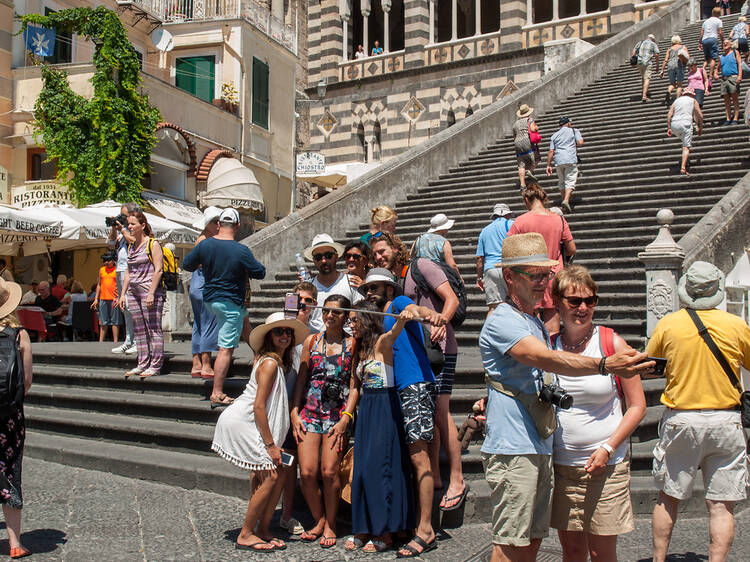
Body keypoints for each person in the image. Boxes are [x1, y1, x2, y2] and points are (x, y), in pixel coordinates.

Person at [479, 233, 652, 562]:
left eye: (545, 275)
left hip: (539, 447)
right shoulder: (503, 319)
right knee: (510, 545)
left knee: (530, 543)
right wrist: (603, 365)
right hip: (516, 449)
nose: (541, 283)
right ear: (509, 277)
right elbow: (545, 360)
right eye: (534, 275)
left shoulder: (534, 323)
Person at [647, 261, 750, 562]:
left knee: (668, 497)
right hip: (726, 419)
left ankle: (659, 559)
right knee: (722, 505)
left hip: (682, 417)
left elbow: (653, 364)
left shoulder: (669, 324)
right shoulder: (735, 325)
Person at [549, 266, 647, 561]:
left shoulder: (611, 343)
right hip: (563, 466)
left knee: (601, 553)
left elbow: (638, 405)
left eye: (590, 301)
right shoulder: (548, 346)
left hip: (607, 466)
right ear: (556, 302)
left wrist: (608, 447)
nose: (583, 308)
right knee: (573, 551)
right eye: (574, 301)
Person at [370, 231, 466, 513]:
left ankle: (457, 479)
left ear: (396, 247)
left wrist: (440, 321)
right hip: (422, 352)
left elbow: (451, 299)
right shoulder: (397, 279)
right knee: (432, 411)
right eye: (375, 254)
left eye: (383, 250)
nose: (379, 256)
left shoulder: (421, 265)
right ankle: (435, 475)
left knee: (441, 412)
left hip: (441, 348)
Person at [359, 267, 445, 558]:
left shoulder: (397, 304)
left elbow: (417, 308)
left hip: (416, 385)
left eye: (376, 288)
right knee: (413, 459)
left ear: (390, 289)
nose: (370, 293)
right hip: (400, 390)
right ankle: (413, 526)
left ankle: (426, 530)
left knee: (420, 460)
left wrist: (426, 314)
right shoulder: (382, 321)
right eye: (367, 289)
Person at [211, 312, 308, 552]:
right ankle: (246, 533)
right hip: (244, 421)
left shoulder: (274, 361)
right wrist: (270, 445)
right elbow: (259, 405)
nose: (285, 335)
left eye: (288, 331)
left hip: (250, 420)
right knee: (272, 476)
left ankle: (263, 529)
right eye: (278, 331)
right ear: (268, 336)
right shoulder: (270, 363)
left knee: (276, 473)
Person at [346, 301, 415, 553]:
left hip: (385, 407)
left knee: (381, 468)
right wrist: (347, 415)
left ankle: (385, 531)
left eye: (354, 320)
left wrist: (404, 316)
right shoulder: (358, 348)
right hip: (366, 410)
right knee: (363, 469)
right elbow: (355, 386)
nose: (350, 324)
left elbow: (395, 329)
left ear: (366, 319)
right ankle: (364, 526)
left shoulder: (382, 342)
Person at [290, 294, 358, 548]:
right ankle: (318, 519)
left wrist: (346, 418)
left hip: (336, 416)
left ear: (345, 317)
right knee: (307, 472)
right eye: (327, 311)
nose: (330, 316)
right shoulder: (311, 340)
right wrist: (294, 410)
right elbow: (302, 378)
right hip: (309, 411)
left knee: (329, 471)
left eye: (336, 313)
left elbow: (354, 385)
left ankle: (331, 523)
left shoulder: (353, 344)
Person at [182, 208, 266, 407]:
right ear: (237, 227)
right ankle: (217, 392)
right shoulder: (241, 250)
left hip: (210, 299)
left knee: (245, 323)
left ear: (219, 224)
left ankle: (260, 355)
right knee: (225, 349)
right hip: (230, 302)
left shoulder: (205, 245)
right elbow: (260, 272)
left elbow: (187, 264)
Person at [508, 182, 576, 334]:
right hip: (553, 275)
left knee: (531, 320)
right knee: (552, 321)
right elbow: (572, 249)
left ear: (527, 200)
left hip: (528, 276)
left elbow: (509, 252)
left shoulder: (520, 222)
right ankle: (551, 354)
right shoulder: (559, 220)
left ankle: (536, 352)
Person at [279, 282, 317, 537]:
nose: (302, 305)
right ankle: (269, 512)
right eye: (298, 300)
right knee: (270, 462)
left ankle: (287, 513)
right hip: (277, 407)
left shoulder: (316, 332)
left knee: (292, 462)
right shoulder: (281, 328)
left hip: (301, 406)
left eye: (308, 301)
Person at [0, 278, 33, 559]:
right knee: (11, 472)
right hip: (10, 415)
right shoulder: (20, 334)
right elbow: (27, 381)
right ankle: (15, 543)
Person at [117, 212, 163, 378]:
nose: (129, 227)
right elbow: (129, 272)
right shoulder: (131, 246)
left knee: (153, 329)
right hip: (133, 292)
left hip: (149, 291)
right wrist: (122, 294)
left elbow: (158, 269)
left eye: (133, 224)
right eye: (128, 224)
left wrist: (151, 293)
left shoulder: (153, 244)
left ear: (142, 226)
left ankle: (155, 365)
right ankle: (142, 363)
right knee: (139, 330)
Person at [303, 233, 363, 333]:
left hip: (346, 344)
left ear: (336, 257)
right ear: (314, 261)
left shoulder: (352, 282)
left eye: (328, 255)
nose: (323, 260)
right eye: (318, 257)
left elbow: (361, 315)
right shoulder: (308, 287)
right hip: (315, 344)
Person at [188, 206, 222, 379]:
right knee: (209, 323)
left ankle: (196, 363)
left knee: (199, 324)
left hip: (196, 283)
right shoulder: (208, 241)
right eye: (216, 221)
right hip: (206, 283)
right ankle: (207, 364)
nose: (219, 224)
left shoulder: (201, 239)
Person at [109, 202, 139, 355]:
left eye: (124, 215)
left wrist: (123, 229)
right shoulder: (122, 231)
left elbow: (134, 242)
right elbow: (110, 244)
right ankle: (128, 340)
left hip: (130, 270)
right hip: (120, 269)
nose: (123, 218)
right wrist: (114, 228)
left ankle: (136, 341)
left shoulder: (136, 229)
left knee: (132, 306)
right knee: (125, 306)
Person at [476, 203, 514, 314]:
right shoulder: (513, 224)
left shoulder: (484, 230)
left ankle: (489, 331)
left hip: (490, 269)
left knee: (493, 308)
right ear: (507, 214)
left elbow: (479, 258)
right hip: (509, 268)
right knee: (517, 305)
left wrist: (479, 278)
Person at [545, 116, 584, 214]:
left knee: (562, 181)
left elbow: (551, 151)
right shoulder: (574, 131)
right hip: (570, 158)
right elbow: (580, 143)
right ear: (568, 123)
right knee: (570, 179)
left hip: (558, 160)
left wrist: (548, 165)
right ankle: (566, 200)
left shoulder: (554, 135)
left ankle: (564, 201)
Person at [411, 213, 463, 281]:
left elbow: (410, 257)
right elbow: (452, 265)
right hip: (438, 278)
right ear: (443, 228)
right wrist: (459, 278)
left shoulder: (419, 239)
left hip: (420, 277)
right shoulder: (444, 242)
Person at [667, 88, 703, 176]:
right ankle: (683, 167)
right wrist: (700, 127)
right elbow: (700, 115)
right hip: (686, 124)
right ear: (692, 94)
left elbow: (669, 115)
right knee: (686, 147)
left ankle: (684, 159)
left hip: (674, 125)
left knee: (684, 140)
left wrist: (669, 128)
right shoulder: (693, 100)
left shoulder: (676, 101)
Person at [91, 253, 121, 343]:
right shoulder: (102, 270)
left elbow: (120, 283)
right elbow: (99, 284)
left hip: (114, 299)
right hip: (103, 298)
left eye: (108, 260)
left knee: (115, 321)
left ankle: (115, 341)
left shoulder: (117, 270)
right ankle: (101, 341)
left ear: (113, 261)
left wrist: (119, 295)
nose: (106, 263)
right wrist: (96, 298)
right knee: (103, 321)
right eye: (105, 261)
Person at [513, 103, 539, 188]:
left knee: (521, 164)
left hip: (517, 143)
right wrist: (536, 128)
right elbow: (532, 129)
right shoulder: (529, 120)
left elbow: (514, 136)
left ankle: (522, 184)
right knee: (537, 157)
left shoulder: (515, 124)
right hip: (527, 141)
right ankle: (530, 171)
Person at [717, 39, 743, 125]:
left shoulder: (735, 53)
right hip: (724, 79)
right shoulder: (721, 57)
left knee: (735, 98)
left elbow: (739, 64)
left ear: (730, 44)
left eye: (727, 43)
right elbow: (717, 68)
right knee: (726, 100)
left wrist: (739, 75)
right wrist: (715, 74)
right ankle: (728, 118)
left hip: (733, 77)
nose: (725, 44)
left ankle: (735, 118)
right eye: (724, 43)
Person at [660, 36, 689, 105]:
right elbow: (688, 57)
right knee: (679, 84)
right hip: (679, 65)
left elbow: (666, 60)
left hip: (670, 65)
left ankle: (669, 91)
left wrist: (662, 70)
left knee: (672, 83)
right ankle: (678, 99)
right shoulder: (683, 47)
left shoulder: (669, 49)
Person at [633, 34, 660, 102]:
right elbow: (656, 54)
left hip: (639, 62)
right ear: (653, 39)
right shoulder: (653, 44)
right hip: (647, 63)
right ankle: (644, 95)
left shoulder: (641, 42)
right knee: (647, 78)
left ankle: (643, 92)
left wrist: (633, 60)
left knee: (643, 77)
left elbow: (634, 51)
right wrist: (657, 64)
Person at [700, 8, 724, 82]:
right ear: (719, 14)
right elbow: (720, 32)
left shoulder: (706, 21)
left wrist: (700, 42)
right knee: (713, 58)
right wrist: (722, 41)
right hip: (713, 39)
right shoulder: (718, 21)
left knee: (707, 58)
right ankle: (710, 74)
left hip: (704, 39)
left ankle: (702, 71)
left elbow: (702, 32)